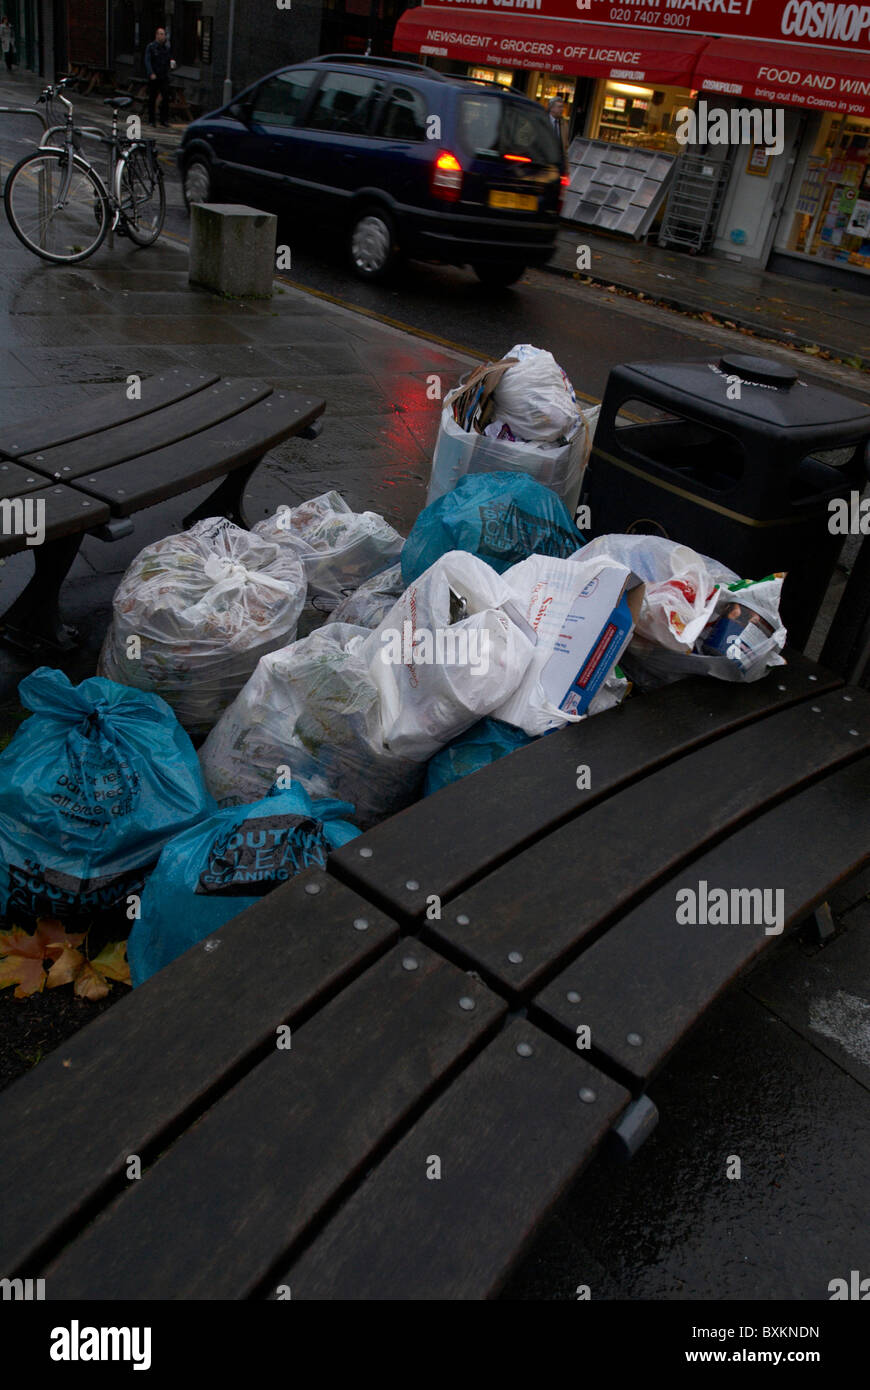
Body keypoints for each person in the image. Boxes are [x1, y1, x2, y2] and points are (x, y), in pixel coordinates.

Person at [144, 25, 176, 128]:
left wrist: (171, 62)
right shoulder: (151, 47)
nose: (163, 36)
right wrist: (151, 73)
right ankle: (151, 120)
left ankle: (164, 120)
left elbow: (169, 59)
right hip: (154, 75)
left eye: (164, 34)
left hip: (163, 76)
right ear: (157, 35)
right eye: (161, 34)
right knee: (152, 98)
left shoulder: (166, 48)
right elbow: (147, 61)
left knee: (166, 97)